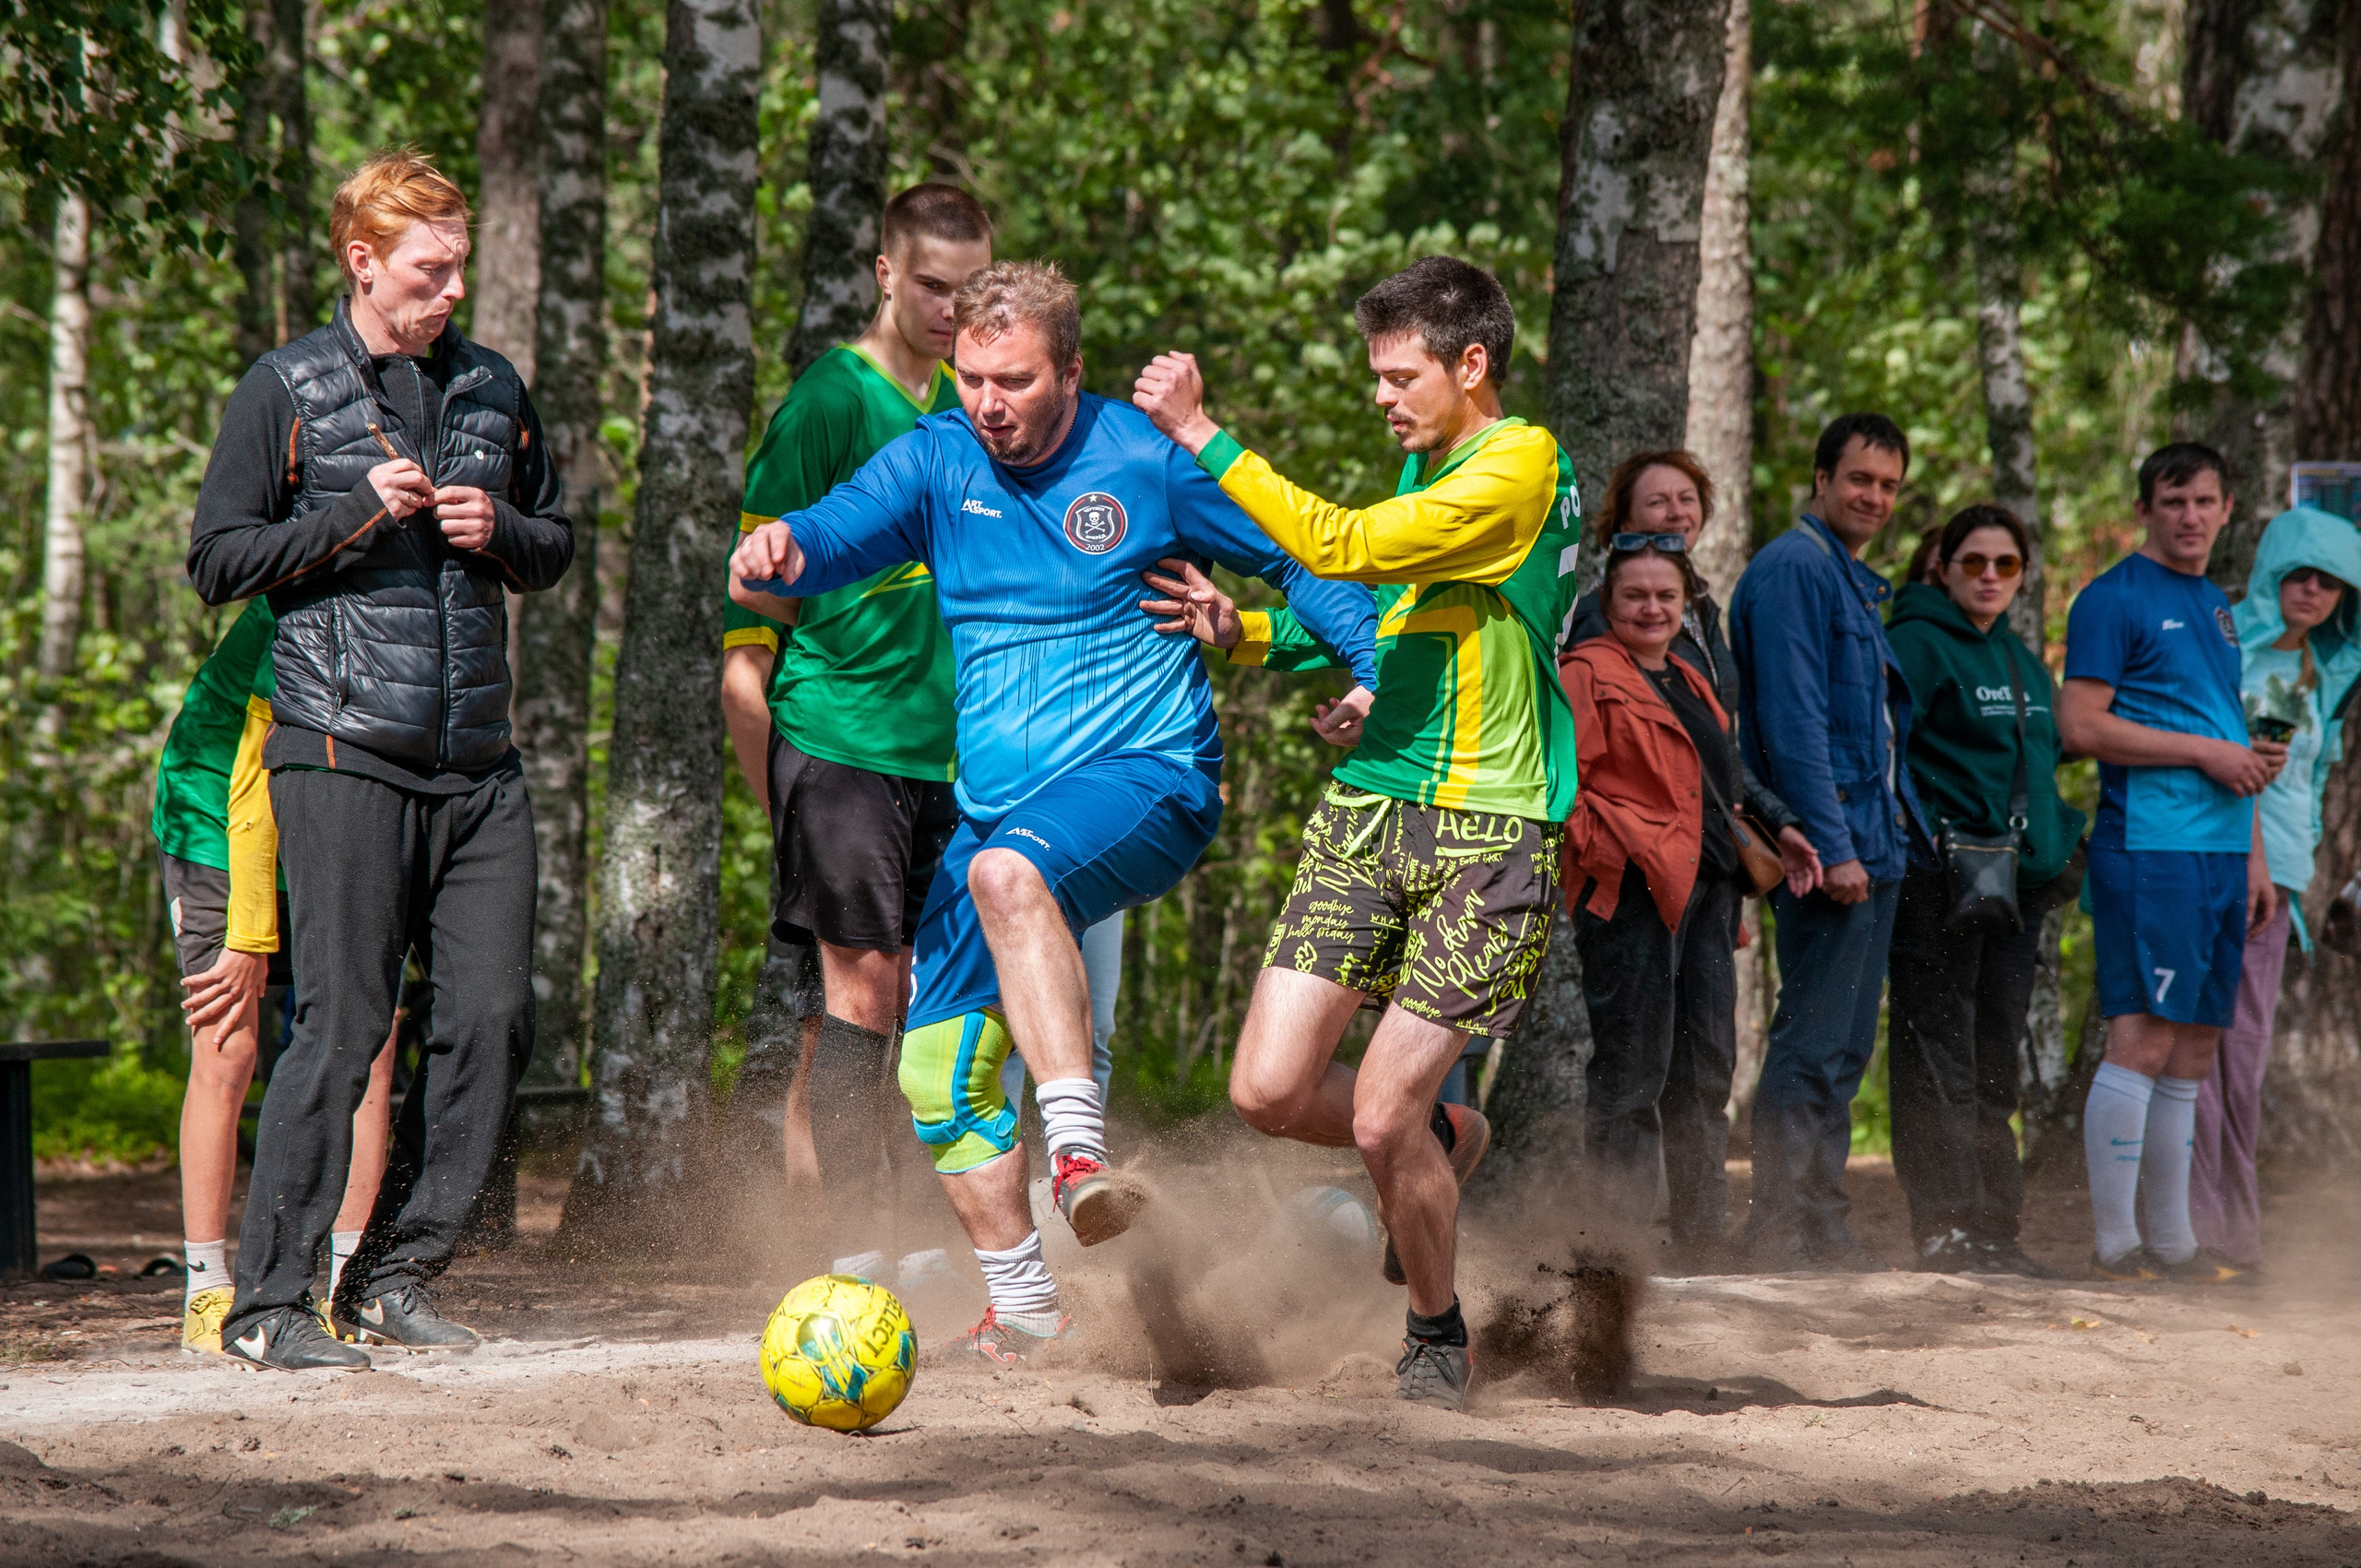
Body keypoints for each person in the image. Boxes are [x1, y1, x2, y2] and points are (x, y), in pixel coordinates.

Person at [730, 261, 1379, 1364]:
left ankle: (1077, 1157)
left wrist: (1365, 671)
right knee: (933, 1067)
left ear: (1070, 371)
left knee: (1003, 876)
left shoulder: (1146, 456)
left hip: (1148, 776)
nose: (988, 402)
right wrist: (787, 543)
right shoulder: (940, 458)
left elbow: (1303, 561)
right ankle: (1026, 1305)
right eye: (971, 377)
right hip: (1002, 811)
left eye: (1014, 381)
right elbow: (840, 526)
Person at [1133, 255, 1581, 1410]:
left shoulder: (1520, 462)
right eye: (1374, 377)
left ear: (1470, 364)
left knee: (1378, 1119)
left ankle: (1434, 1331)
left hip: (1491, 828)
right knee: (1268, 1091)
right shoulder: (1429, 462)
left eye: (1398, 375)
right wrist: (1248, 632)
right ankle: (1448, 1132)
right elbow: (1394, 617)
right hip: (1372, 806)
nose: (1380, 397)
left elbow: (1335, 543)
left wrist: (1203, 433)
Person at [186, 151, 575, 1370]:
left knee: (495, 1020)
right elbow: (216, 561)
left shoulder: (494, 386)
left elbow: (554, 541)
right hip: (341, 749)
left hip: (479, 765)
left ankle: (393, 1277)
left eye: (459, 266)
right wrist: (357, 517)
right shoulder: (288, 385)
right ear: (365, 262)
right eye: (431, 267)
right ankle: (264, 1309)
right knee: (345, 1022)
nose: (453, 286)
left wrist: (498, 528)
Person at [718, 184, 997, 1293]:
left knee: (946, 1013)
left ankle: (943, 1254)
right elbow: (750, 634)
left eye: (970, 289)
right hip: (840, 745)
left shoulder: (980, 414)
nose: (949, 308)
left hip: (959, 761)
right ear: (885, 271)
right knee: (863, 1001)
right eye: (931, 284)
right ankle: (861, 1263)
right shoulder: (828, 403)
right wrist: (779, 796)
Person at [1559, 537, 1821, 1275]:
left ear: (1684, 606)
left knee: (1705, 1070)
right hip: (1631, 896)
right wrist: (1613, 853)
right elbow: (1561, 789)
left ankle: (1701, 1244)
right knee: (1631, 1073)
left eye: (1665, 597)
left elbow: (1719, 788)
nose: (1651, 608)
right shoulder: (1586, 673)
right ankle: (1618, 1252)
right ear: (1607, 604)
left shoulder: (1691, 676)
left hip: (1705, 896)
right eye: (1635, 595)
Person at [2057, 443, 2280, 1285]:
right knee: (2143, 1039)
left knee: (2193, 1048)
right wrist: (2205, 757)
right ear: (2147, 508)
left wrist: (2254, 852)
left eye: (2205, 501)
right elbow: (2080, 727)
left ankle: (2175, 1246)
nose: (2191, 515)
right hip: (2150, 848)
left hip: (2222, 854)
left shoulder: (2217, 605)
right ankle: (2114, 1249)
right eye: (2174, 499)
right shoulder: (2111, 598)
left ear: (2228, 511)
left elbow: (2225, 736)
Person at [153, 601, 397, 1352]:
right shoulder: (305, 602)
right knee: (228, 1046)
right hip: (216, 821)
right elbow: (253, 776)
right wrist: (248, 936)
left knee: (372, 1042)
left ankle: (349, 1284)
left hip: (319, 822)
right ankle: (206, 1288)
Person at [1726, 412, 1930, 1272]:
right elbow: (1796, 723)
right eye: (1860, 480)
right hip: (1831, 853)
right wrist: (1834, 847)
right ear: (1820, 478)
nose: (1874, 498)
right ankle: (1782, 1229)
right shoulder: (1793, 571)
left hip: (1875, 848)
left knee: (1845, 1047)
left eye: (1888, 485)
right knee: (1812, 1042)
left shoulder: (1849, 577)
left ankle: (1821, 1222)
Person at [1883, 505, 2085, 1278]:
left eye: (2006, 564)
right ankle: (1943, 1225)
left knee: (1997, 1050)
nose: (1991, 576)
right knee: (1936, 1048)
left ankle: (1996, 1226)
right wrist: (1931, 836)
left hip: (2018, 885)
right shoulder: (1916, 643)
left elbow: (2046, 755)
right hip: (1940, 882)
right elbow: (1888, 752)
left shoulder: (2024, 659)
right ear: (1943, 567)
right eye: (1974, 562)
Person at [2191, 505, 2361, 1271]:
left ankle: (2236, 1228)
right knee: (2197, 1051)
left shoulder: (2320, 672)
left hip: (2281, 881)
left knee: (2244, 1057)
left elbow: (2309, 777)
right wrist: (2256, 862)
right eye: (2300, 573)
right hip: (2222, 863)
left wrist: (2298, 873)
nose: (2313, 590)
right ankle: (2196, 1227)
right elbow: (2232, 772)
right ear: (2272, 575)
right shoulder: (2229, 651)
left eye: (2330, 581)